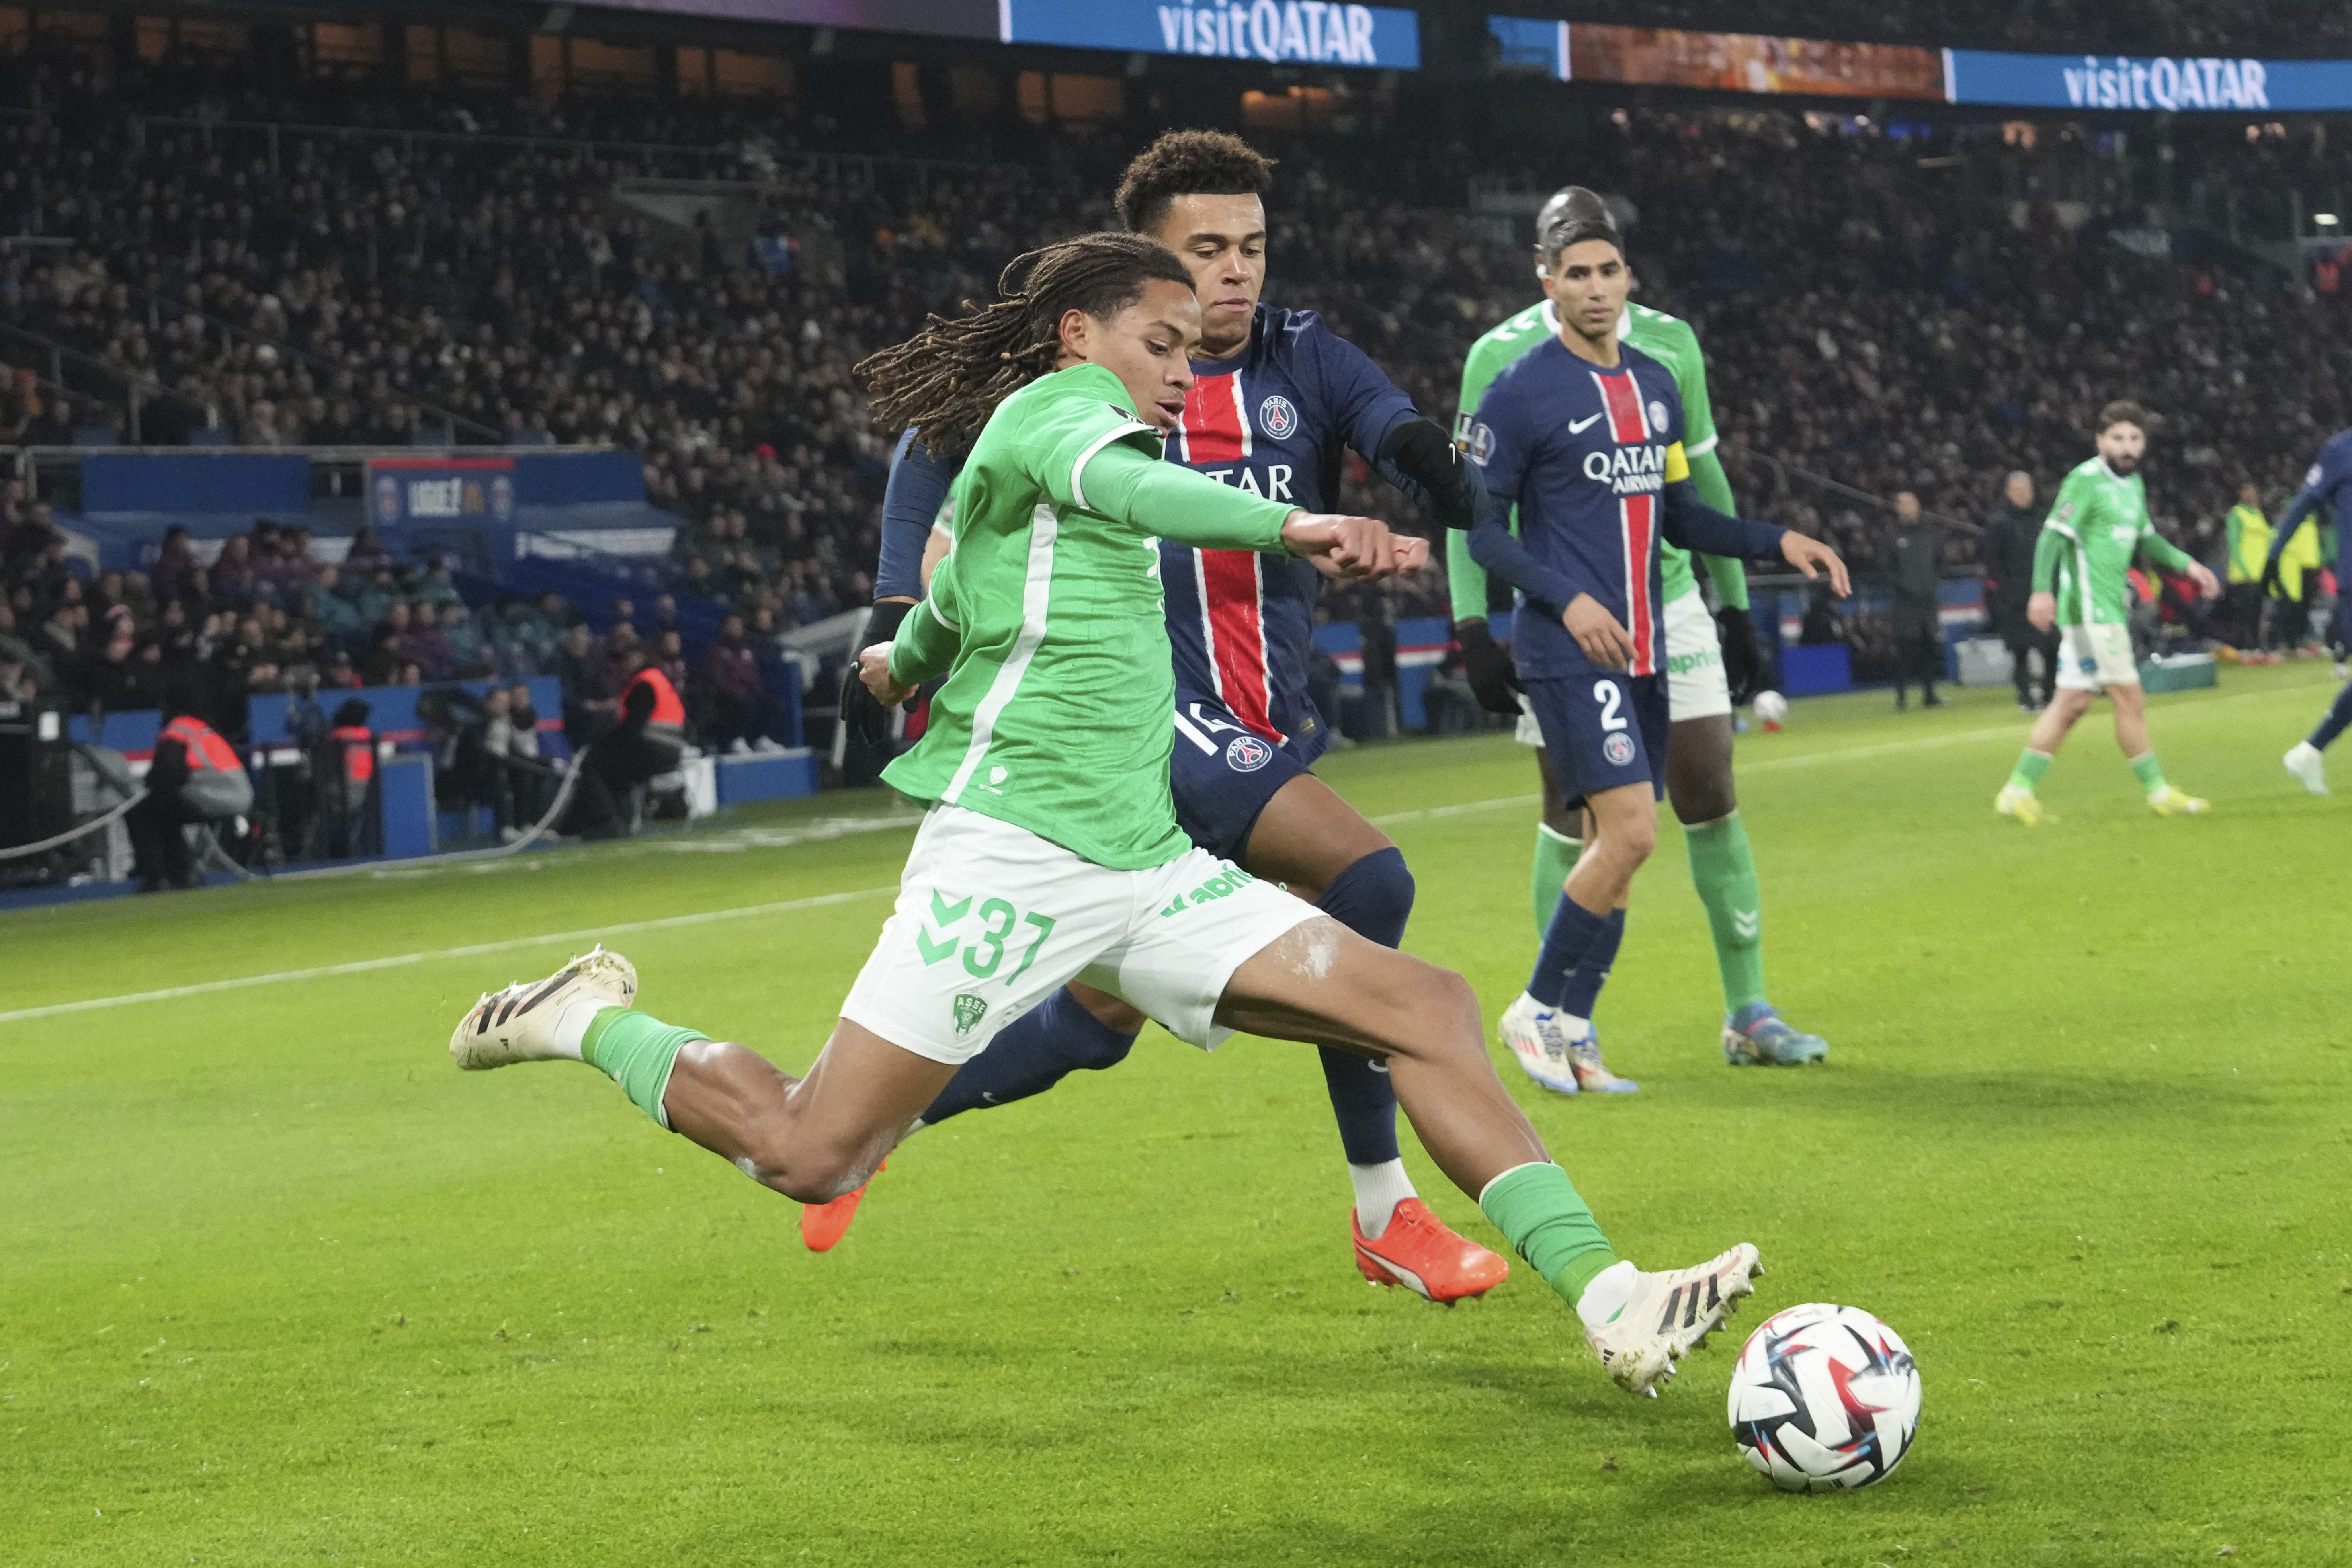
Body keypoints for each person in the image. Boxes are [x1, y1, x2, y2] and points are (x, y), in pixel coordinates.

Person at [449, 232, 1761, 1398]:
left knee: (1422, 1002)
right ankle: (588, 1019)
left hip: (1142, 864)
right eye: (1161, 340)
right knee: (812, 1151)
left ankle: (1615, 1301)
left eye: (1193, 348)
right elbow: (1143, 497)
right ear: (1081, 334)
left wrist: (891, 668)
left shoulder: (1029, 488)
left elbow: (956, 608)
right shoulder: (1058, 417)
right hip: (1014, 857)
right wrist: (1292, 522)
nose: (1183, 368)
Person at [832, 132, 1507, 1301]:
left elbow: (1388, 421)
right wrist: (896, 616)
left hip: (1266, 720)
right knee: (1371, 879)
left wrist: (1435, 474)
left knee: (1094, 1024)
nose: (1235, 272)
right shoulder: (1088, 386)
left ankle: (858, 1131)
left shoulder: (1303, 357)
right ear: (1144, 264)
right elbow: (931, 446)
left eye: (1251, 246)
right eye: (1206, 250)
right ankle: (1385, 1208)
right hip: (1155, 721)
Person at [1459, 192, 1852, 1101]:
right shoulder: (1518, 388)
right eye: (1577, 274)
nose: (1595, 288)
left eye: (1608, 271)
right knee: (1630, 829)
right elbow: (1482, 528)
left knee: (1622, 847)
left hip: (1643, 643)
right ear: (1547, 281)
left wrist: (1771, 542)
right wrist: (1561, 600)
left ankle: (1574, 1034)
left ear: (1628, 278)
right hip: (1566, 643)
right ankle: (1538, 1011)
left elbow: (1679, 510)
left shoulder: (1656, 381)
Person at [1994, 402, 2221, 824]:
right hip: (2091, 611)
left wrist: (2189, 565)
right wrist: (2040, 592)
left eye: (2134, 439)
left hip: (2100, 612)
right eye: (2117, 438)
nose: (2126, 446)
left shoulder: (2132, 484)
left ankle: (2016, 791)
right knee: (2129, 698)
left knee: (2071, 703)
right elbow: (2051, 537)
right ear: (2100, 441)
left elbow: (2149, 540)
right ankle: (2157, 792)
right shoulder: (2084, 480)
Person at [2269, 429, 2352, 794]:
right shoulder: (2340, 450)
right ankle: (2310, 750)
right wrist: (2274, 555)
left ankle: (2309, 751)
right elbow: (2305, 502)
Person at [127, 699, 254, 892]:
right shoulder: (201, 729)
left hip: (214, 796)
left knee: (142, 813)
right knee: (165, 812)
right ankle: (183, 874)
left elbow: (169, 771)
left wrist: (150, 784)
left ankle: (159, 877)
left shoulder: (179, 729)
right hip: (238, 795)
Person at [1983, 471, 2056, 708]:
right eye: (2017, 490)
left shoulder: (2044, 519)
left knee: (2052, 647)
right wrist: (2006, 591)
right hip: (2014, 598)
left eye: (2027, 490)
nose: (2023, 495)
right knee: (2021, 650)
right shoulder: (1998, 523)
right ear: (2008, 492)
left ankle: (2049, 695)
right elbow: (1993, 562)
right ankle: (2025, 697)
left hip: (2044, 595)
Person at [1886, 492, 1945, 711]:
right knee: (1904, 649)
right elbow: (1885, 567)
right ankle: (1901, 697)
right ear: (1898, 508)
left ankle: (1930, 694)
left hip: (1928, 601)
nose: (1910, 508)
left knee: (1929, 646)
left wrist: (1932, 583)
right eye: (1905, 504)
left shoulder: (1931, 533)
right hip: (1904, 603)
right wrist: (1904, 586)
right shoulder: (1891, 535)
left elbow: (1941, 562)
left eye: (1913, 503)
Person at [2222, 482, 2274, 659]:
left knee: (2257, 612)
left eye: (2254, 490)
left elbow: (2268, 540)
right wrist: (2245, 569)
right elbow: (2234, 545)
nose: (2252, 494)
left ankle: (2256, 647)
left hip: (2260, 573)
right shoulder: (2236, 515)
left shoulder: (2259, 515)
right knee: (2245, 613)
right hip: (2244, 574)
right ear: (2241, 494)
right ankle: (2244, 648)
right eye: (2248, 491)